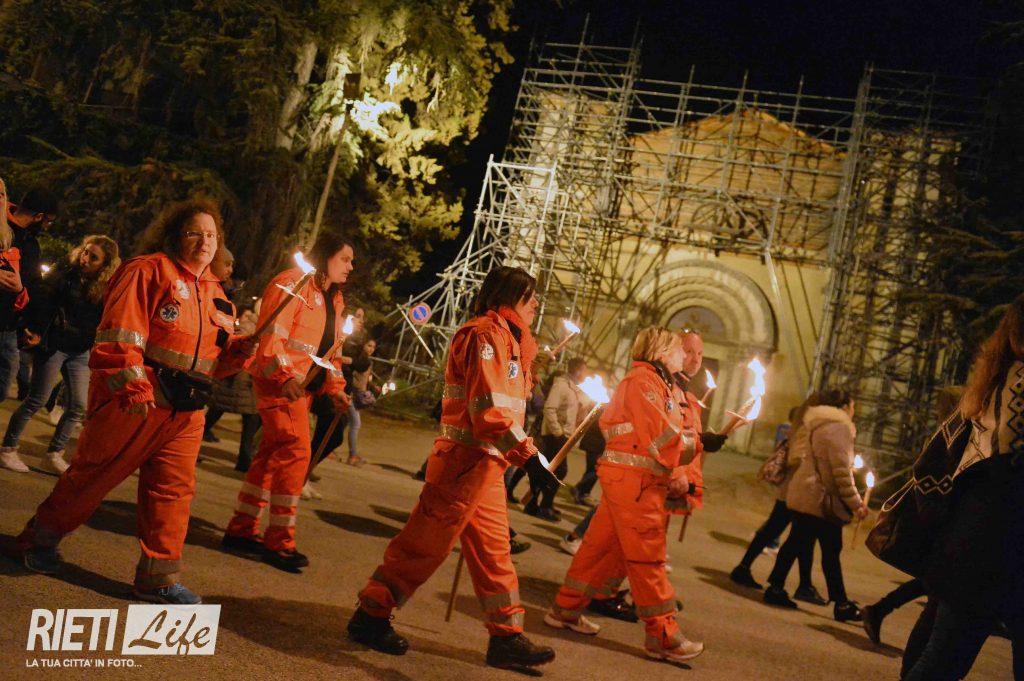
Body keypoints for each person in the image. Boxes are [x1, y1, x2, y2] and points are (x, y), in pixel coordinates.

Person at [16, 197, 255, 604]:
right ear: (175, 235)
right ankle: (37, 541)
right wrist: (133, 385)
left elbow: (214, 360)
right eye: (195, 233)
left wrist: (241, 350)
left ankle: (157, 579)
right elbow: (119, 334)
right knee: (93, 477)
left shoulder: (216, 292)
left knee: (173, 494)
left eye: (212, 235)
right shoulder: (148, 270)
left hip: (185, 413)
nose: (204, 242)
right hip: (137, 401)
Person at [346, 266, 559, 672]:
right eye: (528, 295)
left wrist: (525, 454)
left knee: (495, 552)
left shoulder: (511, 340)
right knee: (425, 545)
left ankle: (506, 637)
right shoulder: (485, 335)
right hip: (464, 464)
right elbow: (488, 411)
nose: (535, 303)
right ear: (508, 296)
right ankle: (371, 614)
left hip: (486, 466)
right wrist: (529, 457)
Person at [545, 327, 705, 664]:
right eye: (679, 349)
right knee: (648, 560)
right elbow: (661, 438)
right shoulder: (644, 382)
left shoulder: (653, 382)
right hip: (636, 484)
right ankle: (663, 635)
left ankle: (565, 609)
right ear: (662, 352)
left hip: (631, 480)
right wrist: (696, 447)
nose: (684, 355)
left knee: (598, 550)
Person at [902, 295, 1024, 681]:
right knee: (942, 661)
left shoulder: (992, 383)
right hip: (995, 547)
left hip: (972, 543)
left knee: (942, 658)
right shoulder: (1017, 384)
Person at [222, 233, 353, 572]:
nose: (350, 267)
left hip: (301, 389)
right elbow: (273, 337)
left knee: (270, 455)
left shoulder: (334, 299)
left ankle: (241, 529)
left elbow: (330, 351)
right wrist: (284, 376)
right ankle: (279, 541)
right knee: (296, 451)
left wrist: (336, 387)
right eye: (345, 259)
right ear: (326, 256)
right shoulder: (293, 283)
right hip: (280, 384)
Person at [1, 235, 121, 474]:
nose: (85, 259)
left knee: (78, 405)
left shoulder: (107, 287)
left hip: (80, 350)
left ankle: (54, 455)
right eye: (85, 252)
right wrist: (36, 330)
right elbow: (42, 302)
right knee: (36, 400)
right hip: (55, 345)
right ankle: (7, 449)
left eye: (93, 257)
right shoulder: (65, 273)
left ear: (105, 265)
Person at [762, 389, 867, 621]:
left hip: (804, 492)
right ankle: (841, 604)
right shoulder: (839, 429)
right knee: (830, 550)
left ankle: (776, 588)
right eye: (852, 406)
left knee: (797, 543)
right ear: (844, 407)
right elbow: (841, 472)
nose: (853, 411)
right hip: (819, 499)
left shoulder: (817, 423)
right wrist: (856, 503)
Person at [730, 398, 827, 606]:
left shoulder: (803, 424)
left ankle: (745, 568)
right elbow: (796, 457)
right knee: (798, 537)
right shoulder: (806, 427)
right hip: (796, 491)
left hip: (792, 491)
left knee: (784, 532)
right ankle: (795, 586)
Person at [1, 185, 58, 401]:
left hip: (8, 327)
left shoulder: (31, 245)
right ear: (39, 216)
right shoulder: (2, 229)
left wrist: (31, 326)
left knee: (3, 386)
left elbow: (33, 286)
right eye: (48, 221)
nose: (47, 227)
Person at [524, 357, 590, 520]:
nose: (586, 374)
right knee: (559, 470)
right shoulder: (561, 385)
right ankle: (544, 505)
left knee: (548, 470)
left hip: (564, 435)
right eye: (584, 370)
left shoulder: (574, 389)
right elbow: (550, 408)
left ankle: (536, 504)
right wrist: (558, 432)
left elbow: (575, 412)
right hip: (554, 436)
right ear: (577, 370)